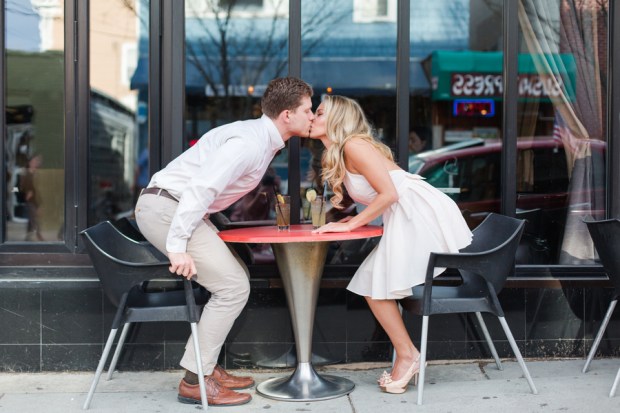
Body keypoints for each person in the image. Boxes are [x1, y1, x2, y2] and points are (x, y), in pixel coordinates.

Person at [134, 77, 314, 406]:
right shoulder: (248, 143)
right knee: (232, 287)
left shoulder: (261, 139)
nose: (312, 116)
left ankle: (205, 367)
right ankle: (194, 382)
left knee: (235, 279)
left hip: (174, 207)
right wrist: (177, 246)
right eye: (308, 110)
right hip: (167, 208)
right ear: (287, 115)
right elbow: (201, 188)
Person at [308, 95, 472, 394]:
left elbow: (390, 194)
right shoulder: (341, 151)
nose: (312, 118)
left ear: (336, 120)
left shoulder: (354, 145)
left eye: (318, 113)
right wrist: (353, 220)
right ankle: (408, 354)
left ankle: (408, 355)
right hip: (405, 213)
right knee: (374, 284)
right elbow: (382, 194)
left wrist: (352, 224)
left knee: (374, 284)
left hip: (418, 212)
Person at [20, 153, 44, 241]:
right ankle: (39, 236)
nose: (35, 163)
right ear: (29, 162)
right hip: (30, 199)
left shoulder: (38, 173)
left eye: (36, 162)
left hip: (37, 198)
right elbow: (21, 186)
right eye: (33, 161)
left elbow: (39, 188)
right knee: (34, 218)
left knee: (32, 218)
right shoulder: (25, 173)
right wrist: (27, 192)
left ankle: (27, 236)